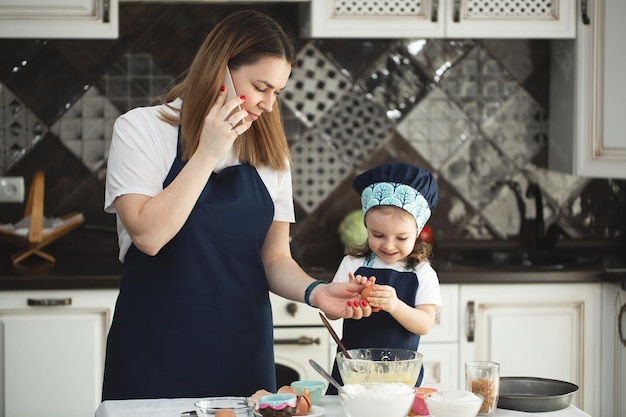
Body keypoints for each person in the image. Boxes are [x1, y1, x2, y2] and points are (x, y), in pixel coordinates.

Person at [102, 10, 372, 401]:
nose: (267, 104)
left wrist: (317, 291)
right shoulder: (141, 130)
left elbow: (274, 259)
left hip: (243, 351)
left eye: (277, 92)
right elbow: (149, 236)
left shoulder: (270, 153)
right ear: (220, 70)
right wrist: (208, 151)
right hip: (155, 347)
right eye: (260, 86)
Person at [325, 162, 442, 394]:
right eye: (378, 235)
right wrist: (348, 297)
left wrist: (394, 305)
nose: (388, 245)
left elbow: (425, 324)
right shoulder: (352, 264)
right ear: (366, 226)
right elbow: (330, 311)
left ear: (417, 233)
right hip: (352, 375)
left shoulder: (422, 272)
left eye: (401, 237)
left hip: (399, 378)